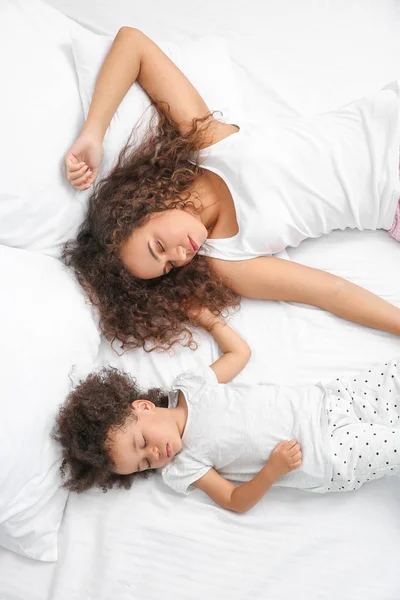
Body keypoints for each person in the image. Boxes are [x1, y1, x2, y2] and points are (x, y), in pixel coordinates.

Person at [64, 27, 400, 350]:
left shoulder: (208, 142)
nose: (180, 256)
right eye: (168, 267)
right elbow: (332, 292)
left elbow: (132, 43)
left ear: (145, 208)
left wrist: (93, 133)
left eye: (159, 246)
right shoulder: (229, 261)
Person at [54, 308, 400, 513]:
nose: (156, 454)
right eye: (145, 463)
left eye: (142, 442)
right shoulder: (183, 467)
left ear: (143, 407)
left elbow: (239, 354)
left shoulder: (191, 387)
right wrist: (271, 471)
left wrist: (208, 319)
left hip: (330, 399)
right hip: (325, 454)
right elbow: (235, 500)